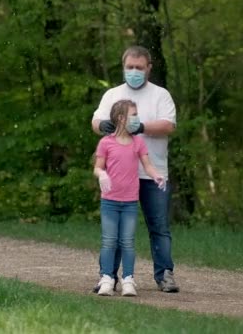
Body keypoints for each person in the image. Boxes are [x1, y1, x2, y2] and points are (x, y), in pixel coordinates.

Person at [91, 45, 179, 293]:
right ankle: (107, 276)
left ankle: (165, 275)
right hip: (120, 176)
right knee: (116, 232)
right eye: (129, 67)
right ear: (123, 67)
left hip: (153, 173)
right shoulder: (112, 95)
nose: (134, 71)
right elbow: (95, 122)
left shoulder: (161, 95)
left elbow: (168, 125)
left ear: (148, 68)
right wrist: (105, 125)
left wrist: (140, 127)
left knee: (159, 226)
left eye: (139, 67)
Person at [94, 99, 165, 296]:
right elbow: (98, 167)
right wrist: (102, 175)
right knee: (109, 241)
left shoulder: (138, 143)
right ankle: (107, 278)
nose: (137, 119)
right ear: (121, 118)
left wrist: (156, 175)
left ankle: (128, 279)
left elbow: (148, 165)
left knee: (127, 242)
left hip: (130, 203)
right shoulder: (105, 143)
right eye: (133, 115)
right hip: (109, 202)